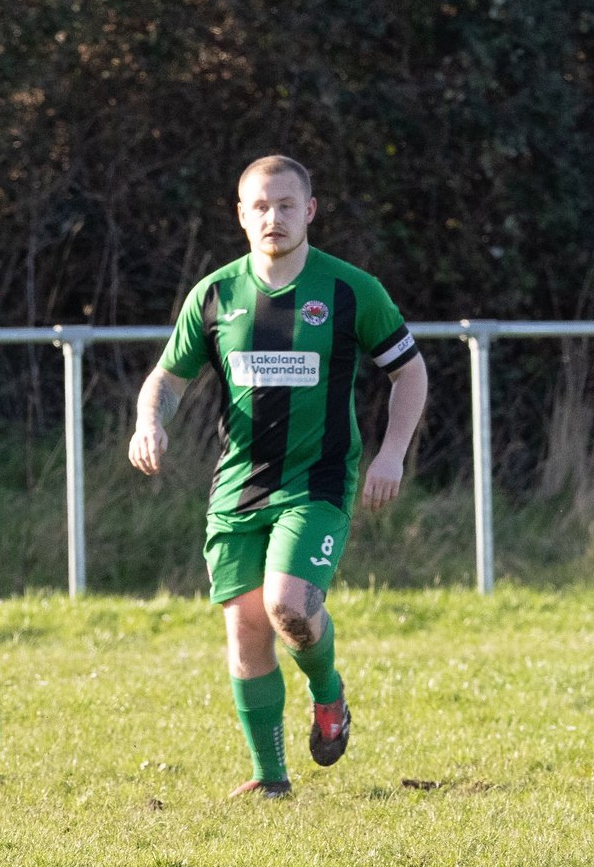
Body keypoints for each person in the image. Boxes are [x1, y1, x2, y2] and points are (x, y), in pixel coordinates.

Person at [128, 154, 429, 798]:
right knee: (246, 626)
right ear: (241, 215)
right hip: (238, 486)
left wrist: (391, 452)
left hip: (317, 484)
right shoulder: (214, 295)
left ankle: (329, 695)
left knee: (288, 605)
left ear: (311, 210)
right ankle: (271, 781)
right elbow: (168, 378)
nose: (273, 217)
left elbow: (410, 371)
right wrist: (150, 421)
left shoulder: (351, 290)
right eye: (260, 206)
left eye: (287, 205)